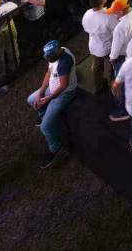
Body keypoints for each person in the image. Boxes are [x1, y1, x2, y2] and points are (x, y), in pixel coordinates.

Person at [27, 40, 78, 168]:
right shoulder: (56, 53)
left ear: (56, 53)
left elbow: (63, 86)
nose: (49, 59)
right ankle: (44, 113)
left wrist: (48, 98)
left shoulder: (64, 62)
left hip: (64, 93)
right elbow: (49, 73)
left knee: (45, 127)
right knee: (32, 99)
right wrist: (41, 92)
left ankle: (55, 147)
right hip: (52, 88)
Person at [81, 0, 121, 93]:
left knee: (97, 66)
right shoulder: (107, 16)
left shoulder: (87, 14)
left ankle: (98, 86)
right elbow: (117, 28)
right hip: (108, 47)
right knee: (113, 65)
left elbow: (86, 29)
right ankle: (113, 84)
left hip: (94, 46)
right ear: (102, 0)